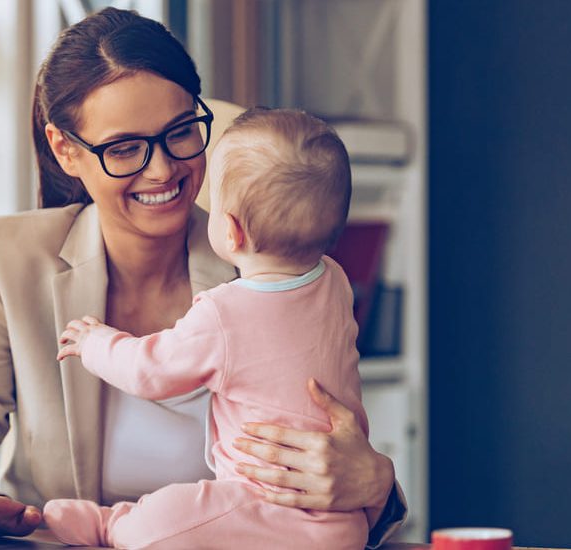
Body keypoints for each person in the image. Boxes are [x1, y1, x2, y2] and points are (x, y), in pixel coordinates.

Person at [0, 7, 406, 547]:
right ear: (66, 150)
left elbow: (337, 441)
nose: (162, 170)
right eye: (125, 148)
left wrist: (376, 481)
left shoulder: (271, 261)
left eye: (180, 132)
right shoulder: (10, 258)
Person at [43, 107, 368, 549]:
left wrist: (96, 341)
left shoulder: (225, 312)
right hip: (343, 524)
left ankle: (110, 525)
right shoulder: (335, 282)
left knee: (170, 515)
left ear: (230, 232)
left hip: (261, 501)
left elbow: (150, 369)